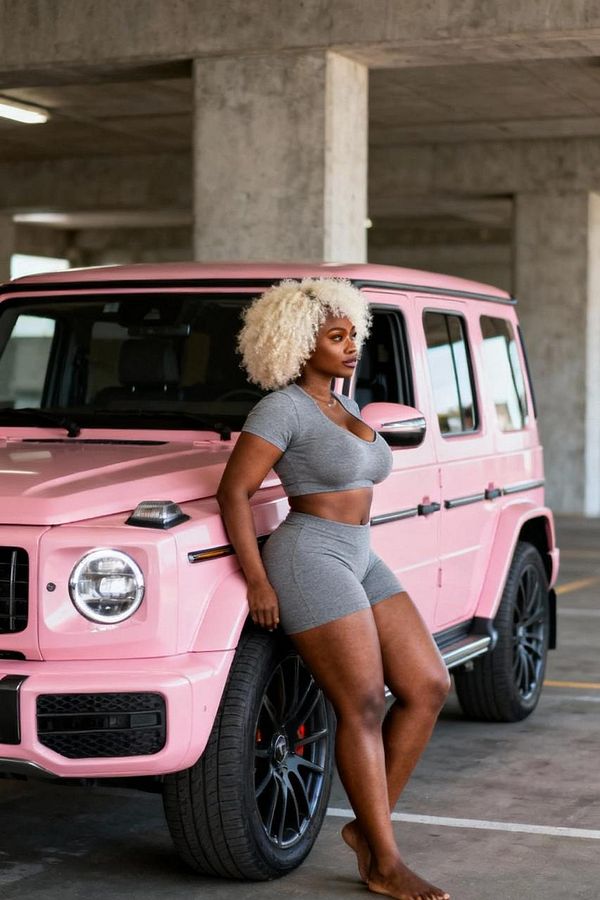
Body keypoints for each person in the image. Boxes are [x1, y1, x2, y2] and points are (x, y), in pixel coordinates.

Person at [217, 277, 451, 900]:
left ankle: (366, 834)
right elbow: (234, 492)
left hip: (359, 552)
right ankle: (385, 861)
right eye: (335, 337)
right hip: (308, 554)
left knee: (427, 685)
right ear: (299, 343)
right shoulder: (282, 408)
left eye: (353, 335)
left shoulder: (346, 407)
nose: (351, 347)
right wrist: (258, 579)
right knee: (363, 705)